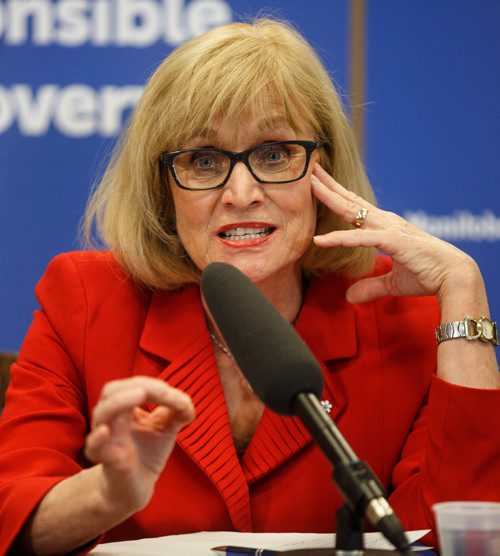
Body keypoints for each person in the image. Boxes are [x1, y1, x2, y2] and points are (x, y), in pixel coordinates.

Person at [1, 18, 499, 555]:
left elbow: (457, 535)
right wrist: (110, 491)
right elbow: (16, 519)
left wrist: (463, 290)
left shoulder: (404, 316)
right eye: (204, 160)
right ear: (162, 186)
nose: (242, 193)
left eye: (274, 154)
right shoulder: (85, 300)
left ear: (323, 169)